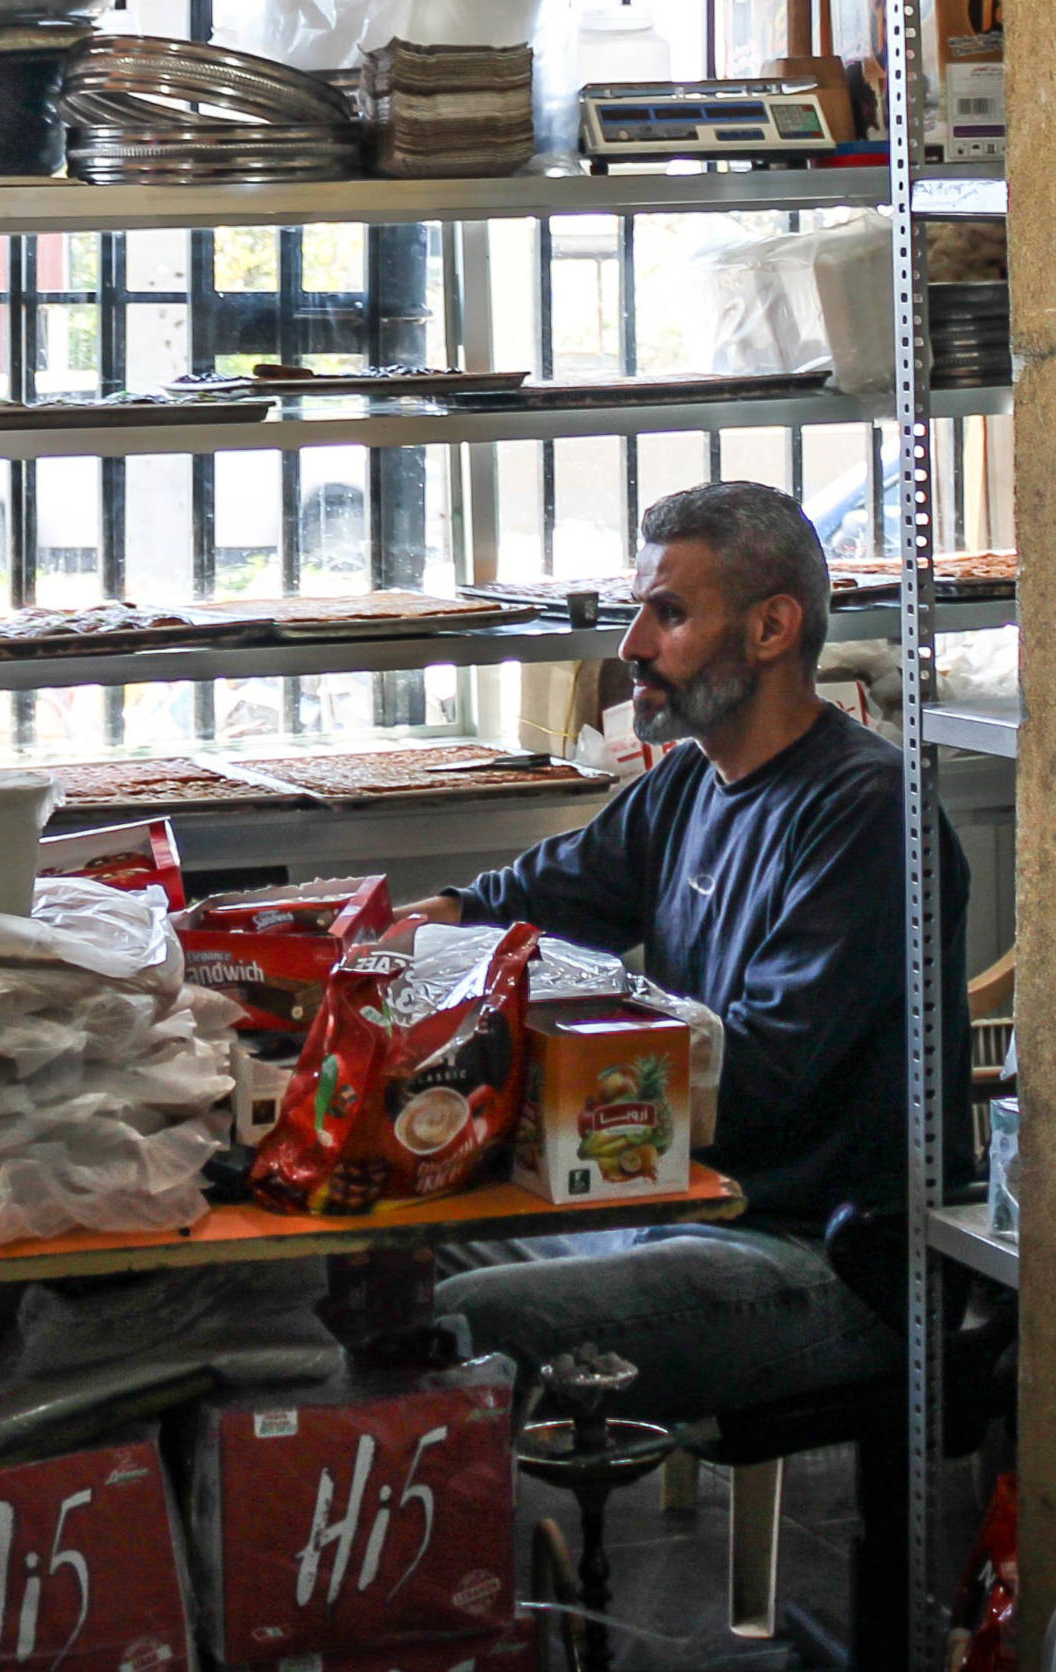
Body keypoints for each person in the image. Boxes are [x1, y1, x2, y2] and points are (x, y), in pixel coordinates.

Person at [396, 480, 965, 1666]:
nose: (633, 646)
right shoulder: (686, 783)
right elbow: (528, 898)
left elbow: (760, 1082)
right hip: (670, 1207)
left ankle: (460, 1631)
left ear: (772, 627)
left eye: (668, 613)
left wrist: (539, 1080)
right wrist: (401, 935)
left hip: (815, 1252)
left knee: (459, 1329)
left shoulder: (869, 813)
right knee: (381, 1272)